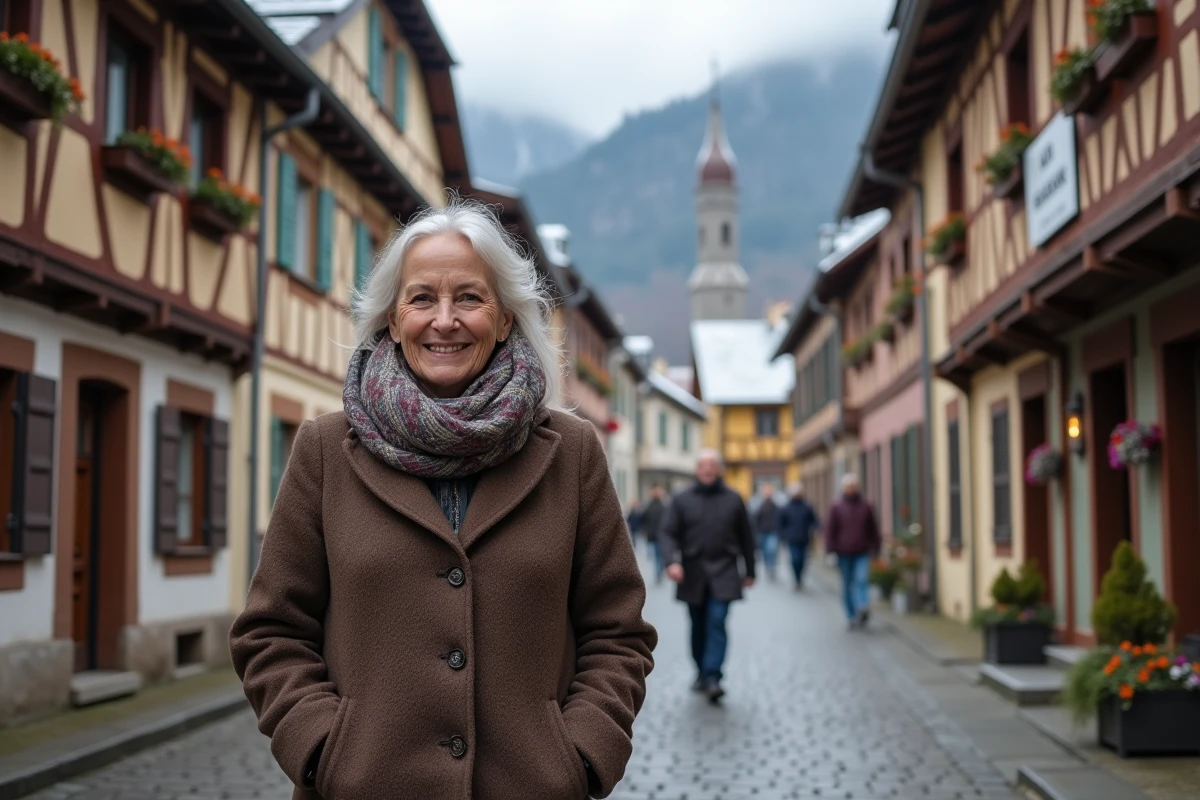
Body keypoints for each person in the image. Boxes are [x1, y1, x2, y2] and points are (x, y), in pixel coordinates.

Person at [229, 201, 657, 800]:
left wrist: (579, 756)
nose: (445, 320)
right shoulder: (326, 449)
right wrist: (326, 751)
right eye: (422, 298)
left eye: (470, 299)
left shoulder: (571, 452)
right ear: (393, 318)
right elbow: (270, 631)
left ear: (506, 318)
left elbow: (618, 632)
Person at [659, 451, 755, 702]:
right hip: (692, 573)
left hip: (724, 571)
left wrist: (751, 570)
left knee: (717, 621)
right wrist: (671, 562)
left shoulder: (734, 499)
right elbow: (667, 533)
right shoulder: (681, 499)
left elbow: (747, 537)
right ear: (696, 470)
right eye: (703, 465)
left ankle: (713, 675)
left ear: (719, 469)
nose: (708, 470)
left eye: (712, 465)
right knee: (698, 625)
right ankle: (701, 670)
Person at [825, 473, 881, 630]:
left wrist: (876, 547)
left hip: (862, 551)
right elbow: (830, 530)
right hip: (843, 552)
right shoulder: (836, 507)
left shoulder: (866, 506)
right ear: (843, 488)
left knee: (862, 580)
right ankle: (851, 615)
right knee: (847, 584)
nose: (851, 489)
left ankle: (862, 607)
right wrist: (830, 551)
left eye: (853, 486)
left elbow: (873, 529)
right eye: (848, 486)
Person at [778, 482, 819, 591]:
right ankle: (796, 579)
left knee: (803, 560)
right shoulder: (786, 508)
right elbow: (780, 523)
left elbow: (814, 520)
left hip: (804, 538)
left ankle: (800, 578)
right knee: (795, 560)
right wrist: (783, 535)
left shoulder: (807, 506)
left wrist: (815, 528)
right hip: (792, 539)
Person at [752, 483, 782, 580]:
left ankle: (771, 567)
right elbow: (755, 519)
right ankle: (768, 567)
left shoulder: (776, 504)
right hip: (762, 531)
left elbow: (780, 518)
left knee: (771, 550)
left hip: (773, 531)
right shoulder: (759, 504)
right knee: (765, 551)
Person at [641, 485, 668, 583]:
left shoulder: (649, 507)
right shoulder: (664, 507)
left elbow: (643, 519)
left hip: (652, 535)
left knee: (656, 556)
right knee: (660, 555)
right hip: (662, 535)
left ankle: (658, 573)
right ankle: (659, 572)